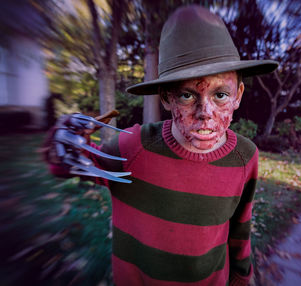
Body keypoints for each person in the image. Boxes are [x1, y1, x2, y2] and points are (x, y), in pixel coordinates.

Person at [46, 5, 278, 286]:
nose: (205, 112)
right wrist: (62, 144)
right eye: (186, 95)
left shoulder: (245, 157)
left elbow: (240, 229)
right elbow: (72, 163)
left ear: (238, 95)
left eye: (220, 94)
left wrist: (242, 277)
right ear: (166, 98)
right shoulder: (132, 147)